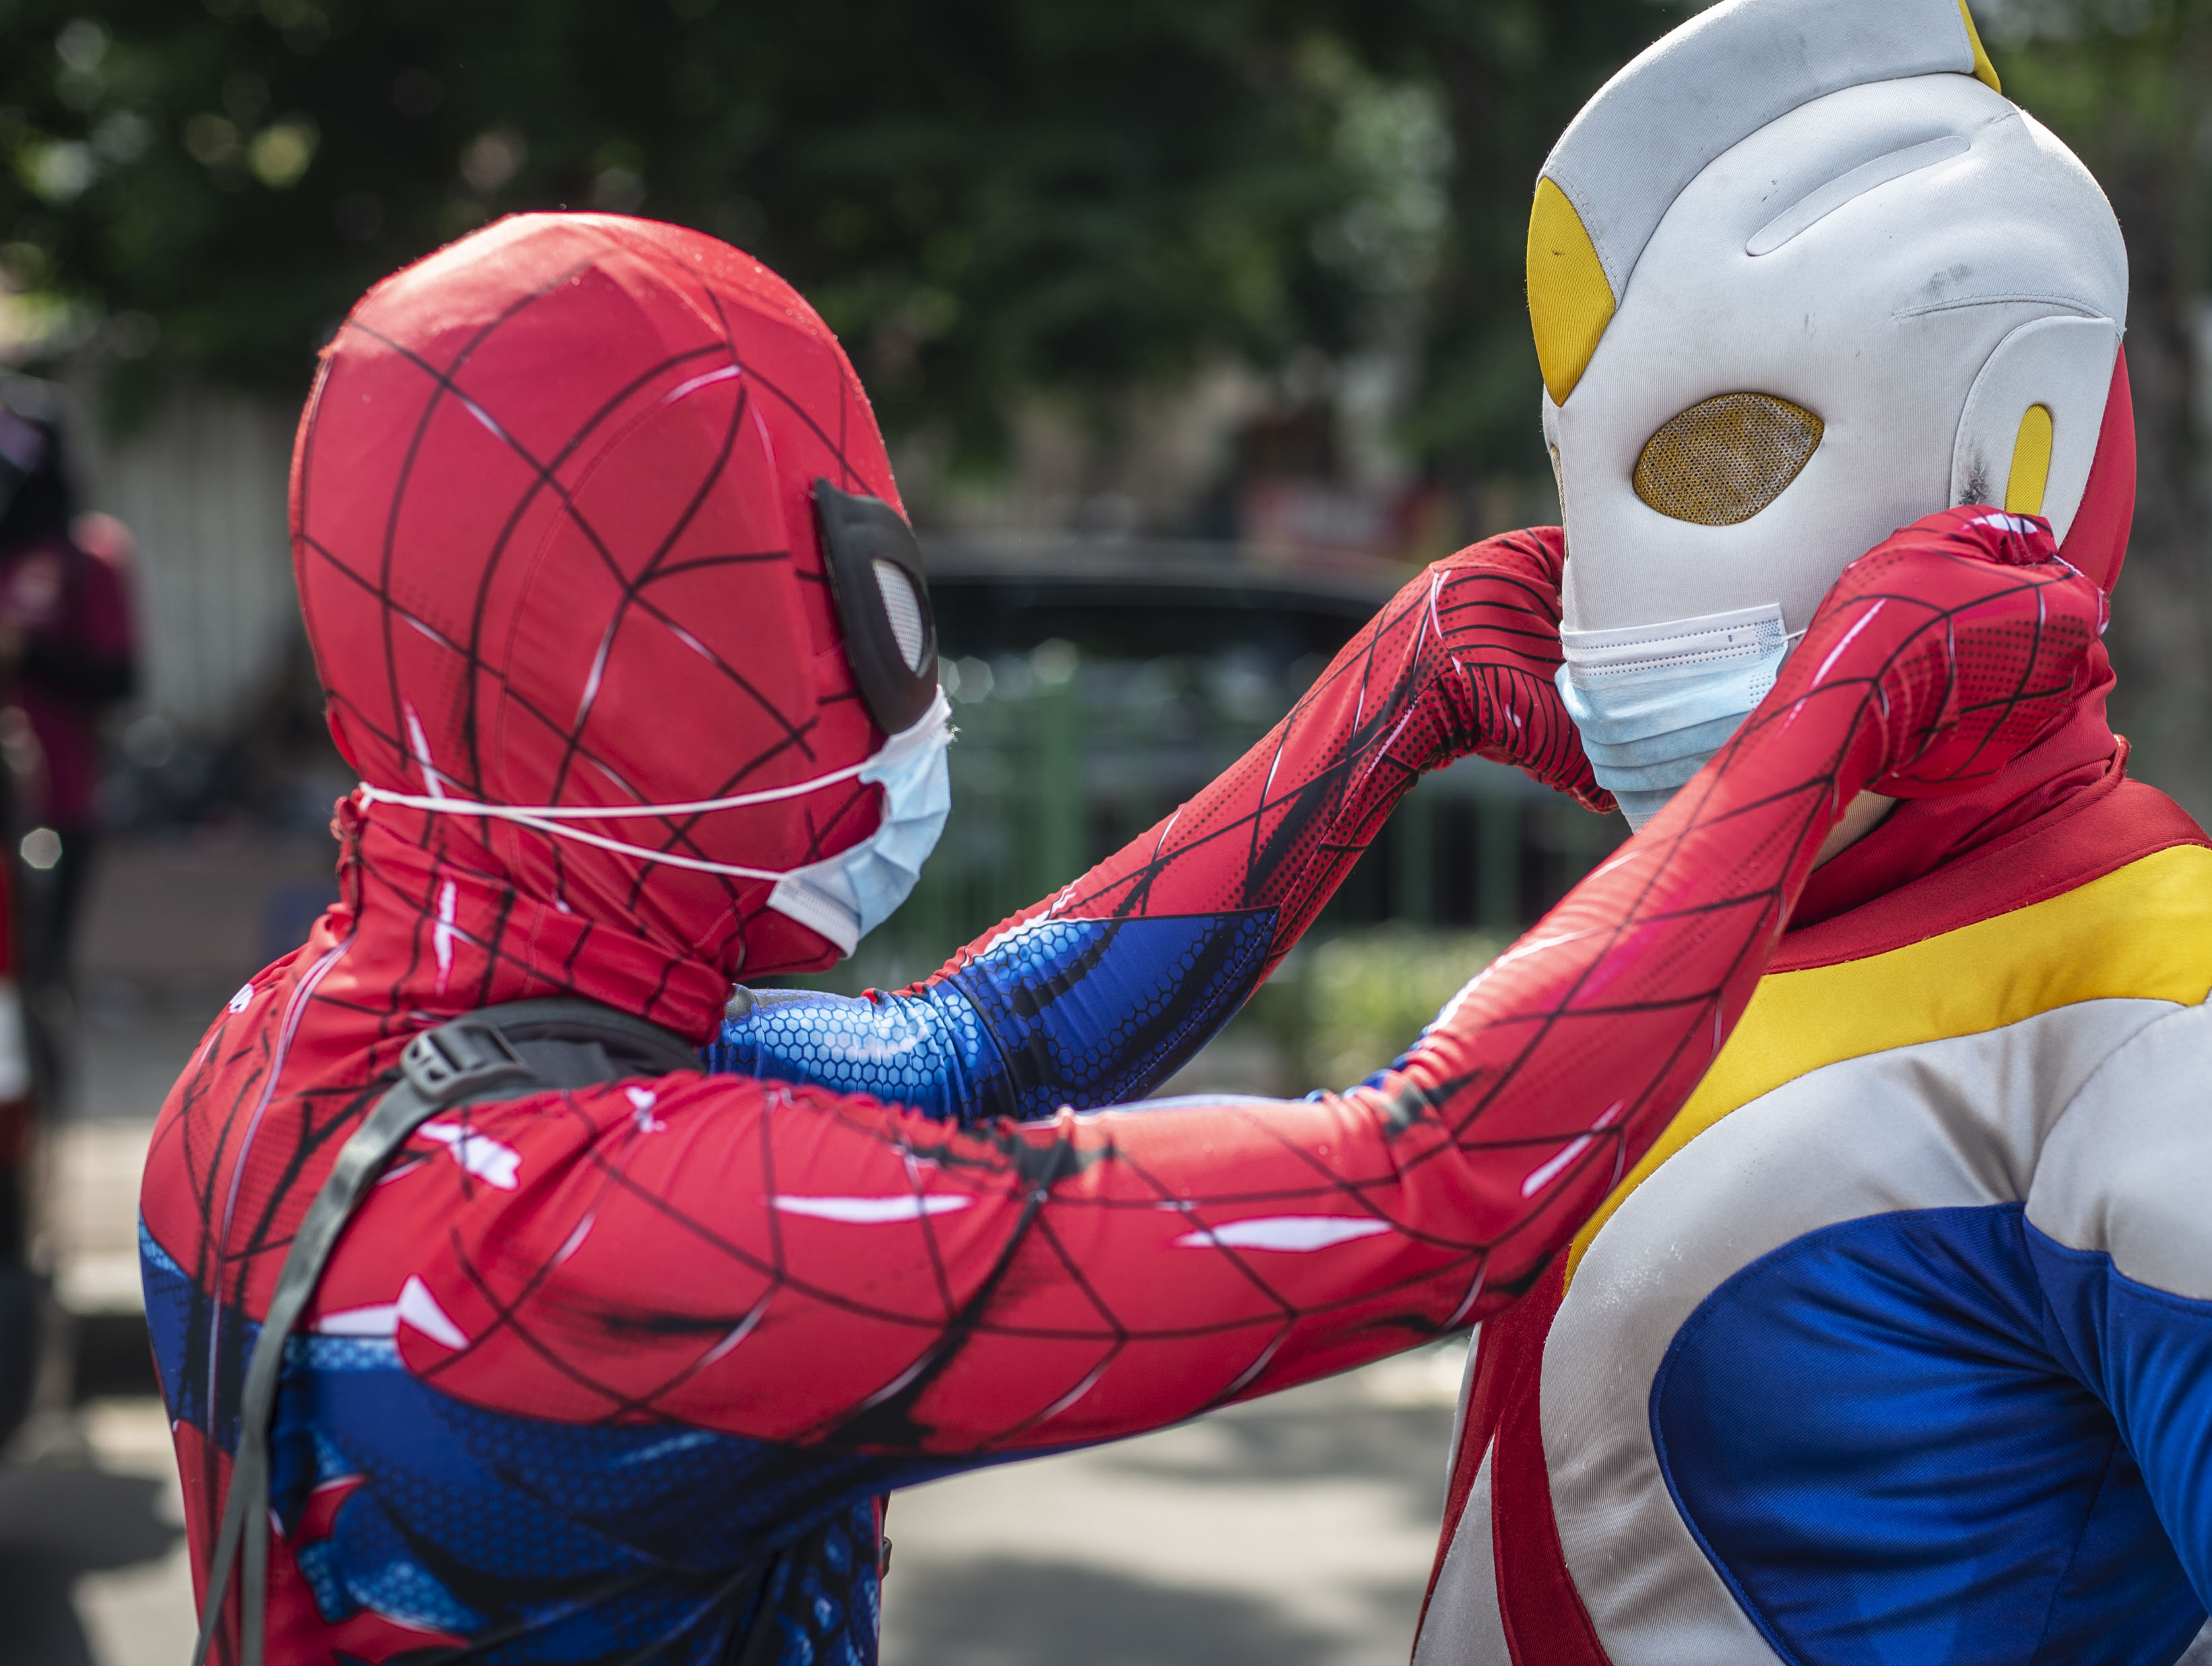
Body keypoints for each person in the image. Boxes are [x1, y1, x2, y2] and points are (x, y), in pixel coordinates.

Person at [138, 212, 2106, 1665]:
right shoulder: (573, 1235)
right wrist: (1833, 710)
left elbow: (944, 1062)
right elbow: (1427, 1193)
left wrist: (1395, 690)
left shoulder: (312, 1053)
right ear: (663, 654)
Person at [1410, 0, 2212, 1666]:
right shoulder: (1677, 947)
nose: (1605, 604)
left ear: (2011, 460)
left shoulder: (2161, 1024)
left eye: (1723, 457)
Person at [0, 386, 135, 1073]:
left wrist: (27, 653)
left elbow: (118, 681)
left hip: (60, 805)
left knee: (38, 970)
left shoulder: (91, 557)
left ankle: (39, 1119)